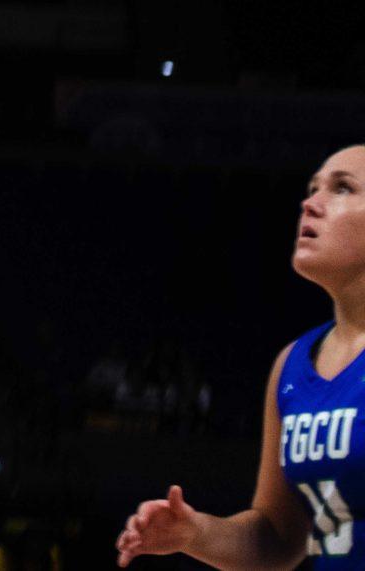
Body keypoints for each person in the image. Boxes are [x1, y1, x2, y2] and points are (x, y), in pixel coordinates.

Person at [115, 144, 365, 567]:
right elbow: (277, 538)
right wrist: (195, 532)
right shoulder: (292, 364)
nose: (311, 203)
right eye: (313, 187)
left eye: (343, 188)